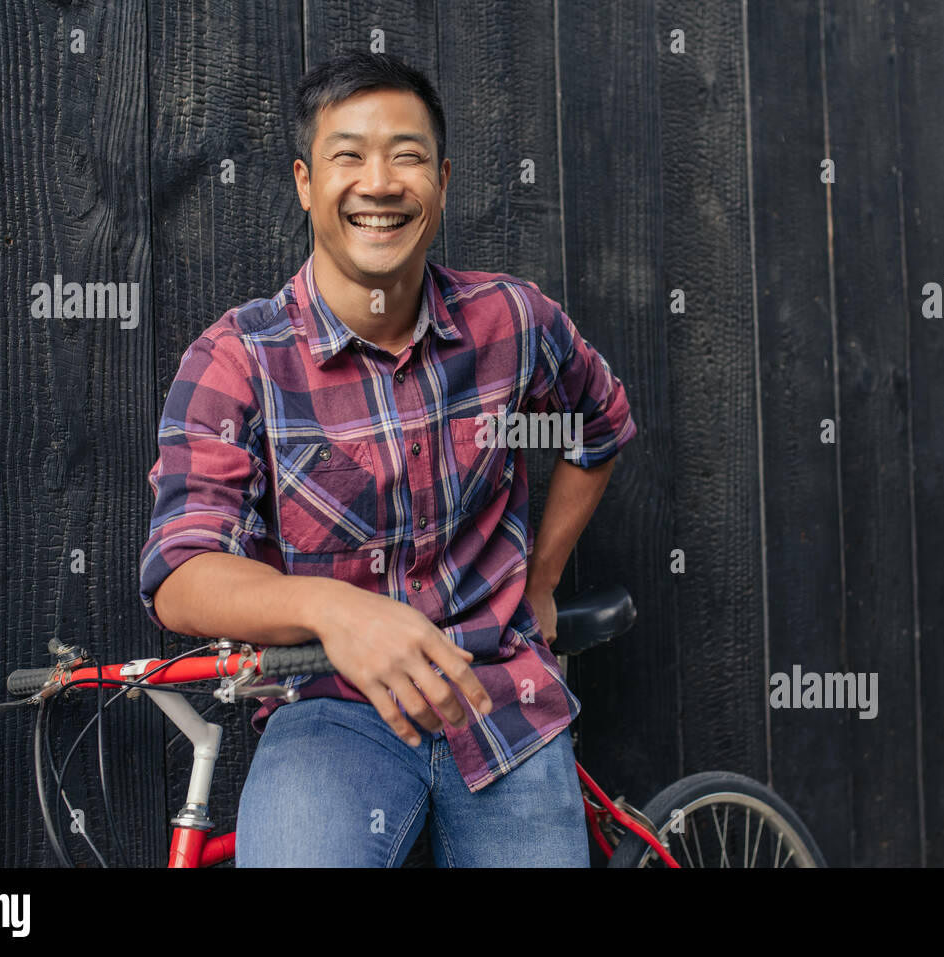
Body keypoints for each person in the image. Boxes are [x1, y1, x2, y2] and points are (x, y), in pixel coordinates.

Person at [137, 50, 637, 866]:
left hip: (502, 697)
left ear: (440, 180)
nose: (379, 182)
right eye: (348, 156)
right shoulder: (238, 359)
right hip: (330, 711)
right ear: (305, 182)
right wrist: (340, 612)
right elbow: (180, 573)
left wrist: (541, 580)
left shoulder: (511, 320)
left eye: (406, 156)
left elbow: (601, 420)